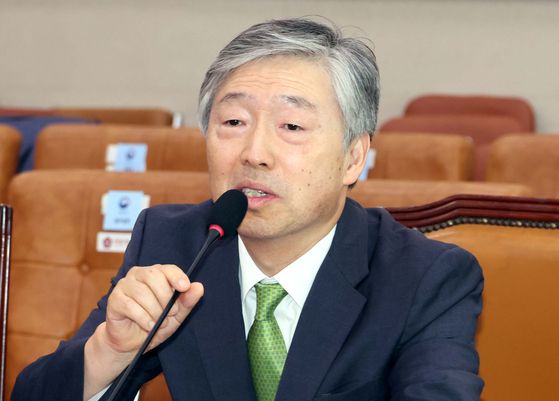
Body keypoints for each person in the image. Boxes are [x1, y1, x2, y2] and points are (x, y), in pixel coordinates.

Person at [11, 18, 484, 401]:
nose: (254, 153)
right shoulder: (174, 243)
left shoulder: (425, 277)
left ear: (353, 157)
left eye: (292, 126)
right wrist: (110, 351)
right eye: (234, 122)